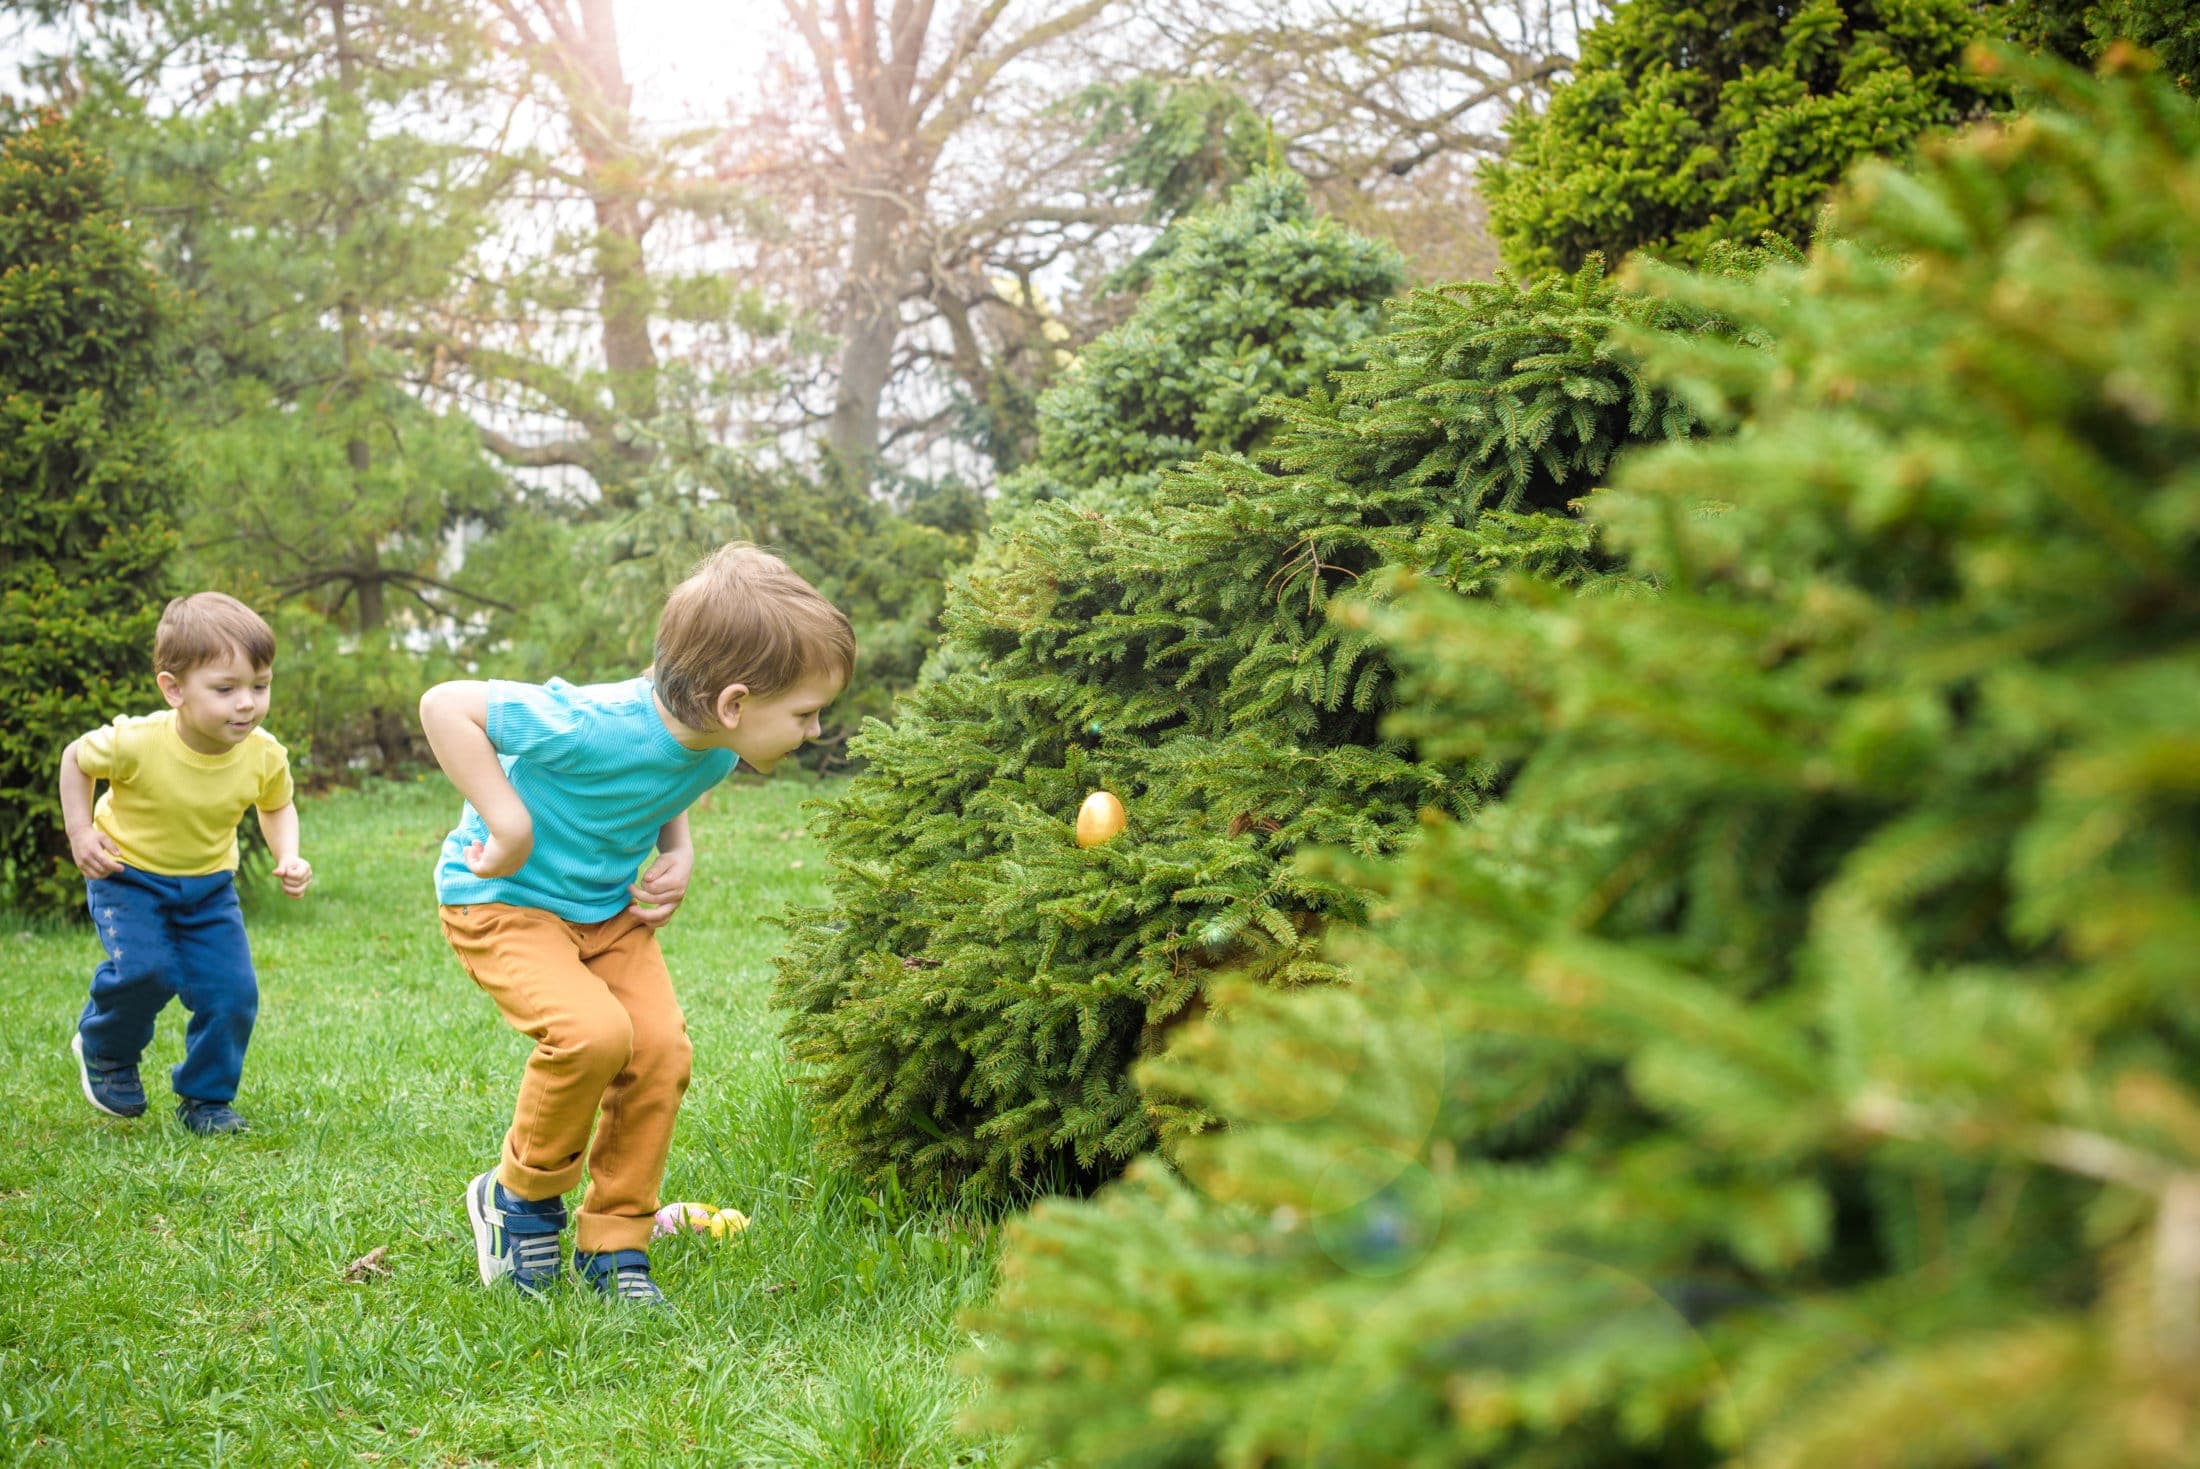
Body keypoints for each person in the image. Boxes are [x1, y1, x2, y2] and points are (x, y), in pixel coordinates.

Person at [421, 543, 852, 1305]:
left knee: (658, 1050)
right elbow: (445, 704)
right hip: (504, 899)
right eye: (805, 712)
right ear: (734, 702)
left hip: (608, 910)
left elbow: (663, 778)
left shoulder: (715, 739)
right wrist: (507, 820)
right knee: (591, 1035)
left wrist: (678, 849)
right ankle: (518, 1197)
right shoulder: (591, 721)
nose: (815, 729)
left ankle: (615, 1240)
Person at [59, 592, 313, 1137]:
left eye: (260, 686)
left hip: (209, 887)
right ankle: (106, 1047)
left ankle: (206, 1099)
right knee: (148, 970)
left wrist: (288, 855)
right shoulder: (137, 742)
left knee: (232, 993)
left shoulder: (264, 753)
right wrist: (80, 832)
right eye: (226, 689)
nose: (247, 704)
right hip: (127, 876)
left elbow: (277, 804)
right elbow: (76, 759)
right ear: (173, 689)